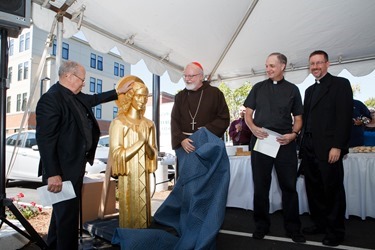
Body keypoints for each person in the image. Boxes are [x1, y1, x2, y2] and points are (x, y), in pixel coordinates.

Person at [35, 60, 132, 249]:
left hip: (74, 167)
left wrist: (118, 92)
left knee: (61, 217)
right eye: (82, 79)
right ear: (68, 76)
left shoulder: (76, 96)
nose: (83, 83)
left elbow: (94, 99)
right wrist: (53, 173)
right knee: (67, 220)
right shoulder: (51, 99)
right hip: (61, 172)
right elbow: (45, 140)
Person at [244, 52, 305, 243]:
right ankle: (261, 225)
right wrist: (253, 128)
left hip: (284, 142)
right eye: (267, 66)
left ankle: (293, 228)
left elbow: (299, 119)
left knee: (289, 187)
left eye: (272, 65)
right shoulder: (257, 88)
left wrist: (293, 135)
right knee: (261, 187)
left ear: (283, 66)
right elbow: (248, 113)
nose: (268, 69)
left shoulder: (293, 90)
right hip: (262, 141)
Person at [299, 50, 353, 247]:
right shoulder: (309, 91)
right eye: (312, 63)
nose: (315, 67)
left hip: (329, 148)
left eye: (319, 63)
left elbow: (344, 118)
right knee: (314, 190)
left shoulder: (340, 84)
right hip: (310, 148)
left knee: (332, 191)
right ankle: (320, 224)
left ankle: (336, 231)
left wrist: (337, 146)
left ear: (327, 64)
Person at [109, 76, 158, 229]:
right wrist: (139, 143)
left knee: (145, 217)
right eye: (139, 96)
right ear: (130, 96)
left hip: (144, 176)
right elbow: (116, 154)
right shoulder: (119, 123)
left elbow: (153, 155)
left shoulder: (149, 124)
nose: (143, 101)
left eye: (145, 97)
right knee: (130, 217)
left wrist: (147, 145)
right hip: (128, 177)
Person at [170, 61, 230, 151]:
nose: (187, 79)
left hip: (208, 143)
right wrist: (181, 139)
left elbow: (224, 118)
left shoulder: (215, 93)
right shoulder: (180, 96)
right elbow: (174, 120)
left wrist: (206, 131)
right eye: (185, 76)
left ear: (201, 76)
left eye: (191, 76)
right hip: (186, 146)